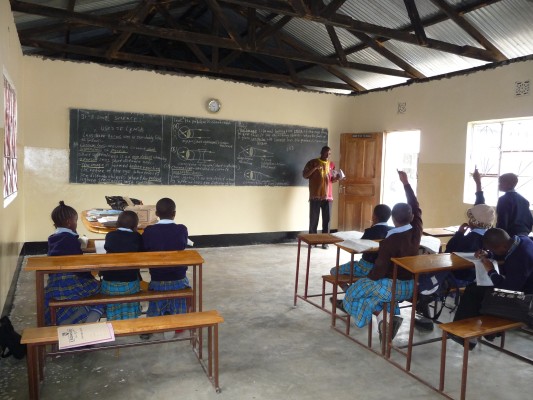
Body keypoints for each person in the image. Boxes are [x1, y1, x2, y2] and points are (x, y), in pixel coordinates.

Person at [342, 171, 422, 341]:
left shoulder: (389, 241)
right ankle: (385, 317)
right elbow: (416, 207)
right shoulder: (416, 232)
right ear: (413, 217)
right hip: (410, 286)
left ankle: (381, 315)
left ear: (393, 219)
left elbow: (378, 271)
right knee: (369, 296)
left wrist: (367, 279)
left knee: (351, 295)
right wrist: (406, 184)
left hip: (389, 286)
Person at [452, 228, 533, 349]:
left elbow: (507, 289)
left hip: (525, 300)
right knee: (477, 290)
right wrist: (489, 254)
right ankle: (485, 332)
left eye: (492, 249)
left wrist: (491, 271)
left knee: (474, 292)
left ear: (502, 246)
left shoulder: (519, 259)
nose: (491, 251)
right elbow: (505, 252)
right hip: (522, 288)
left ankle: (464, 334)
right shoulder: (522, 240)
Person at [44, 201, 103, 325]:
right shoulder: (70, 240)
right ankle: (86, 327)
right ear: (69, 222)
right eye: (76, 221)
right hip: (70, 282)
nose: (76, 224)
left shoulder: (53, 238)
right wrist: (92, 278)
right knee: (102, 294)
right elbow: (79, 268)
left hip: (55, 283)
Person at [142, 198, 189, 334]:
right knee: (183, 292)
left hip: (157, 280)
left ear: (156, 213)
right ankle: (179, 323)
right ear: (174, 214)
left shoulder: (149, 231)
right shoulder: (182, 229)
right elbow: (183, 244)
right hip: (179, 279)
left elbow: (144, 248)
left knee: (155, 302)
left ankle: (153, 323)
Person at [445, 168, 495, 285]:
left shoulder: (466, 239)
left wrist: (459, 233)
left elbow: (449, 252)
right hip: (481, 277)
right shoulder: (493, 237)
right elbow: (480, 204)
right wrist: (478, 183)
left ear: (472, 222)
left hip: (461, 277)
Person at [330, 204, 393, 285]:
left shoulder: (370, 232)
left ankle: (348, 291)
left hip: (364, 268)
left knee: (334, 271)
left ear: (374, 217)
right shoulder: (392, 231)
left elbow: (359, 248)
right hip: (383, 267)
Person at [100, 210, 144, 320]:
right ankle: (130, 317)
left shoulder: (110, 236)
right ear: (135, 227)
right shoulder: (137, 237)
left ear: (116, 224)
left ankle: (113, 317)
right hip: (130, 285)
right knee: (136, 282)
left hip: (109, 285)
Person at [302, 146, 341, 248]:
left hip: (328, 197)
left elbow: (331, 179)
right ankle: (312, 241)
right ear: (321, 152)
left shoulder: (332, 165)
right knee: (314, 219)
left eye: (329, 154)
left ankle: (325, 242)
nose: (328, 155)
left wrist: (337, 178)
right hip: (315, 196)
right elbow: (305, 175)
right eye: (326, 153)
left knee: (327, 221)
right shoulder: (312, 162)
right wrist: (315, 168)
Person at [496, 173, 533, 237]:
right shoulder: (524, 200)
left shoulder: (503, 200)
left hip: (510, 237)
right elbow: (530, 220)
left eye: (501, 183)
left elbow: (502, 222)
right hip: (524, 235)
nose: (499, 185)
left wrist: (499, 236)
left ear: (509, 184)